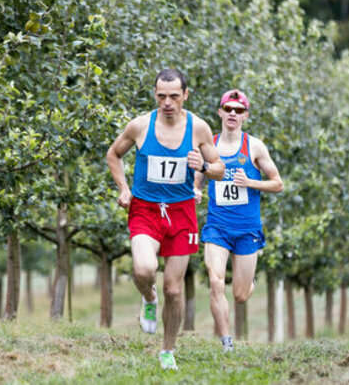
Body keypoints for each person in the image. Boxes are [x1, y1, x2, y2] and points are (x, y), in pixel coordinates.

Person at [106, 69, 225, 370]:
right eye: (161, 96)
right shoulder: (140, 125)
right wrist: (123, 188)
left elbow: (220, 168)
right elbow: (113, 154)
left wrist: (205, 167)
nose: (167, 102)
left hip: (182, 212)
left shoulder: (198, 128)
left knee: (174, 288)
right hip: (145, 209)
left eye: (174, 96)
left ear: (185, 95)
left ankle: (167, 350)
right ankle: (148, 297)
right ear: (155, 95)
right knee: (144, 268)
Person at [194, 89, 284, 352]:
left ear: (246, 116)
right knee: (215, 281)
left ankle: (250, 281)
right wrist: (197, 191)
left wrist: (251, 182)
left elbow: (278, 184)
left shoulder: (254, 146)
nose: (233, 114)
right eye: (228, 109)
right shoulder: (209, 145)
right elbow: (200, 176)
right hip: (217, 227)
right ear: (220, 112)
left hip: (247, 230)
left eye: (239, 110)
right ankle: (227, 342)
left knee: (240, 295)